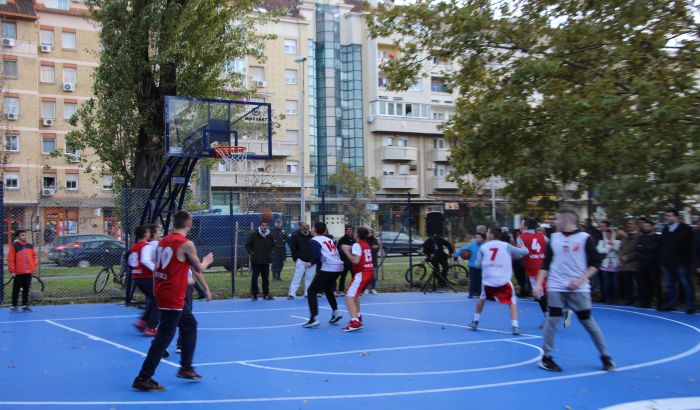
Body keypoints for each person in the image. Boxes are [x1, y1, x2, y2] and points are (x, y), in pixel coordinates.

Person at [132, 211, 214, 391]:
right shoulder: (185, 244)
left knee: (190, 324)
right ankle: (143, 377)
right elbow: (198, 267)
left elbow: (160, 266)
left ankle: (186, 367)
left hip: (163, 290)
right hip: (173, 295)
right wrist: (207, 260)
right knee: (163, 337)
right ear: (189, 224)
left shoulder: (162, 241)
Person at [534, 208, 614, 372]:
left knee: (588, 322)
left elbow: (595, 263)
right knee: (553, 320)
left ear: (566, 220)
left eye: (556, 219)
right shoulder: (554, 238)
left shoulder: (585, 239)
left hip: (578, 288)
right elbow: (546, 264)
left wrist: (581, 279)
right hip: (556, 285)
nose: (554, 222)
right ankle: (546, 357)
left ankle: (605, 356)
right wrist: (538, 284)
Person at [468, 228, 528, 335]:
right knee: (512, 301)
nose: (486, 233)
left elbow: (477, 265)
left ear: (491, 235)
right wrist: (522, 245)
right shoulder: (506, 246)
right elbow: (524, 252)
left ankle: (475, 321)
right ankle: (515, 326)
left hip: (488, 280)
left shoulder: (483, 247)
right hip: (503, 280)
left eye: (488, 232)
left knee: (482, 298)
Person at [302, 222, 344, 327]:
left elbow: (316, 255)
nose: (311, 229)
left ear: (314, 230)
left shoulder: (313, 240)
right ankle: (336, 313)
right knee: (328, 289)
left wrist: (310, 263)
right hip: (338, 267)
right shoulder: (328, 239)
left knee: (311, 291)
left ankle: (313, 318)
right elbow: (337, 252)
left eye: (312, 227)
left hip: (329, 268)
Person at [658, 208, 695, 314]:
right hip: (666, 261)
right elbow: (662, 245)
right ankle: (671, 304)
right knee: (669, 284)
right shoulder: (665, 229)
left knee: (686, 283)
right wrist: (662, 258)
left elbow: (689, 246)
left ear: (676, 217)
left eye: (669, 215)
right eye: (666, 216)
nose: (667, 218)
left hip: (681, 262)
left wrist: (686, 259)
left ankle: (690, 305)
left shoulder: (686, 229)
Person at [339, 227, 374, 332]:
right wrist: (349, 247)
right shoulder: (365, 244)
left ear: (357, 234)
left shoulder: (357, 245)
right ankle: (358, 317)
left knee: (349, 297)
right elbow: (360, 251)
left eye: (354, 232)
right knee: (355, 296)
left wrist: (346, 251)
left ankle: (354, 322)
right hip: (369, 272)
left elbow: (355, 260)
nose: (353, 233)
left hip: (362, 273)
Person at [129, 225, 159, 336]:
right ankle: (151, 327)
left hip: (137, 277)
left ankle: (142, 322)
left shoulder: (134, 246)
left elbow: (131, 262)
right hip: (146, 277)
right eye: (147, 232)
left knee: (153, 299)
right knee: (159, 300)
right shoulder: (145, 246)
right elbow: (145, 260)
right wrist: (156, 270)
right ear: (145, 234)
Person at [635, 217, 662, 308]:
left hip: (653, 263)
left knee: (655, 283)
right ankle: (645, 301)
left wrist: (644, 248)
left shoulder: (657, 237)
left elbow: (654, 248)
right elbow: (637, 248)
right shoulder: (641, 237)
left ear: (652, 227)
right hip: (642, 263)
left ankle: (659, 301)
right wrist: (645, 248)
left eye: (648, 226)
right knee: (643, 283)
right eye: (645, 226)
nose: (646, 228)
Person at [245, 220, 275, 301]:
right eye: (263, 225)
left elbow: (273, 246)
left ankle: (266, 294)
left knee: (265, 278)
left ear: (268, 226)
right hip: (256, 260)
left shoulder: (270, 235)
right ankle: (254, 295)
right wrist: (252, 253)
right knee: (254, 278)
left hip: (266, 260)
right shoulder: (254, 234)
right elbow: (247, 245)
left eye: (266, 225)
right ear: (260, 226)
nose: (264, 226)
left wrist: (270, 254)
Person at [8, 229, 37, 313]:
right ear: (18, 237)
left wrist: (33, 267)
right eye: (22, 235)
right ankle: (14, 306)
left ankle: (25, 305)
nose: (24, 236)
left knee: (26, 289)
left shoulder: (30, 246)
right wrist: (12, 271)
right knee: (16, 290)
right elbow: (11, 259)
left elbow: (34, 257)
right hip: (18, 273)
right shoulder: (14, 246)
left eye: (25, 235)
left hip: (28, 272)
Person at [287, 223, 315, 299]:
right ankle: (292, 294)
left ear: (309, 228)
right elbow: (293, 249)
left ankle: (307, 293)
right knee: (297, 277)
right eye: (304, 227)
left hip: (311, 261)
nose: (305, 228)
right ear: (301, 228)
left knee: (309, 278)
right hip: (300, 260)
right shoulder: (296, 236)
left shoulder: (312, 237)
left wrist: (313, 260)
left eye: (307, 227)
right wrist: (296, 259)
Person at [455, 232, 485, 298]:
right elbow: (462, 249)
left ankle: (479, 293)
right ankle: (471, 293)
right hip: (472, 266)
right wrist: (456, 255)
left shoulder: (485, 246)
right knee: (473, 280)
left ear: (482, 238)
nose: (477, 239)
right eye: (476, 237)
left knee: (479, 280)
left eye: (479, 237)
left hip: (481, 266)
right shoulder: (472, 246)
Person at [596, 227, 621, 304]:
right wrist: (608, 247)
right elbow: (599, 250)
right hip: (605, 266)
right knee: (606, 283)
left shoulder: (617, 242)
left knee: (615, 284)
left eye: (610, 233)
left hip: (615, 265)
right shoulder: (601, 242)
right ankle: (607, 299)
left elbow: (619, 250)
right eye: (607, 233)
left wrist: (613, 245)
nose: (608, 234)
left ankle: (615, 299)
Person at [619, 219, 640, 306]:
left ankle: (639, 299)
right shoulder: (625, 236)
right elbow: (621, 248)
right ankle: (629, 299)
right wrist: (622, 256)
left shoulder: (640, 236)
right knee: (627, 283)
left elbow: (638, 250)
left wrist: (629, 257)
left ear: (636, 225)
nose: (629, 225)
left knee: (637, 283)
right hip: (625, 264)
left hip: (635, 264)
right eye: (628, 224)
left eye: (631, 224)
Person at [336, 226, 355, 296]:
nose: (349, 231)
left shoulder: (355, 239)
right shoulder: (342, 240)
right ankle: (341, 290)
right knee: (343, 276)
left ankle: (354, 290)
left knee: (354, 276)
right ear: (346, 231)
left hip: (353, 261)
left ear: (353, 231)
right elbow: (338, 250)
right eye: (348, 230)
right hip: (345, 261)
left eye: (350, 230)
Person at [366, 228, 381, 295]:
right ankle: (366, 289)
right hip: (365, 262)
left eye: (370, 232)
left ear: (372, 233)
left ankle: (373, 289)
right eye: (368, 232)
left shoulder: (375, 240)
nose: (369, 233)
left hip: (374, 261)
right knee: (366, 276)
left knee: (374, 276)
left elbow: (376, 249)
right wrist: (371, 247)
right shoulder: (364, 240)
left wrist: (370, 248)